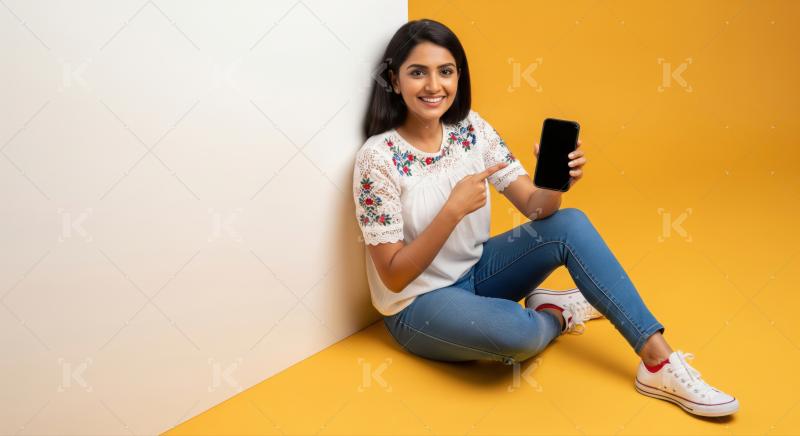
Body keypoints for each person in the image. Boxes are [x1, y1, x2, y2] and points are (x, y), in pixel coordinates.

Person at [352, 18, 738, 417]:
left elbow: (537, 209)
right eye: (418, 73)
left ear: (458, 77)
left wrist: (555, 183)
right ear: (395, 81)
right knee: (517, 333)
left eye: (445, 71)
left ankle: (658, 362)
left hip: (476, 272)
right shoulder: (376, 159)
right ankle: (559, 313)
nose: (434, 86)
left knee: (570, 223)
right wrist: (451, 212)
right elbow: (394, 276)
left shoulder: (471, 129)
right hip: (417, 304)